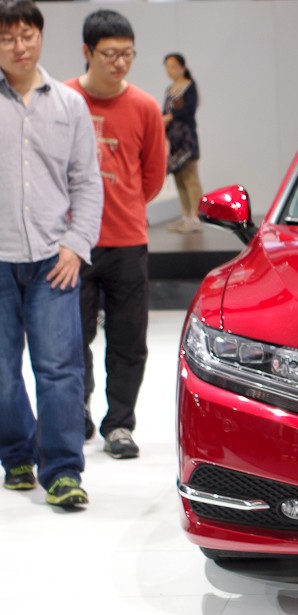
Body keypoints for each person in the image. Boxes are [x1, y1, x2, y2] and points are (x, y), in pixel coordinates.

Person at [0, 0, 102, 507]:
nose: (19, 47)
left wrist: (76, 246)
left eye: (27, 35)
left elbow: (87, 181)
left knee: (60, 369)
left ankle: (62, 471)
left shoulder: (69, 104)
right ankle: (17, 455)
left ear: (40, 36)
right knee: (1, 373)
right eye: (6, 38)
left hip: (52, 261)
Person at [67, 9, 166, 460]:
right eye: (110, 54)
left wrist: (124, 205)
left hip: (127, 239)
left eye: (127, 54)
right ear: (87, 51)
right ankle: (77, 412)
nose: (120, 62)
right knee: (72, 338)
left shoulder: (144, 106)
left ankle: (120, 424)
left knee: (128, 339)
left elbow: (153, 175)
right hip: (71, 242)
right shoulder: (64, 100)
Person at [162, 52, 202, 234]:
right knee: (178, 177)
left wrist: (170, 117)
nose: (169, 70)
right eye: (167, 67)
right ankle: (186, 214)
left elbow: (189, 110)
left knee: (190, 176)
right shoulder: (169, 89)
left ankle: (197, 216)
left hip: (186, 138)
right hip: (173, 138)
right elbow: (164, 110)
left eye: (173, 66)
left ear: (182, 68)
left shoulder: (189, 86)